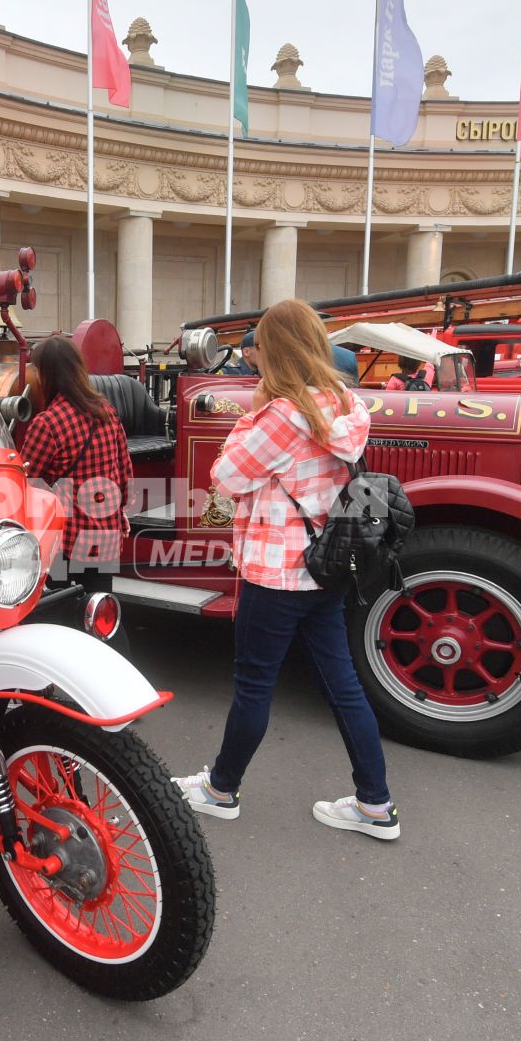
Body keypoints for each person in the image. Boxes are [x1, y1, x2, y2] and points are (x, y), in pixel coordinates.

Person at [171, 298, 396, 840]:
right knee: (343, 685)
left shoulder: (280, 416)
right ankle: (375, 804)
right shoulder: (346, 403)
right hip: (326, 566)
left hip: (275, 572)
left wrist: (248, 419)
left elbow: (226, 477)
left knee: (253, 685)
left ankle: (221, 790)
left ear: (273, 351)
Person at [17, 335, 133, 587]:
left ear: (44, 374)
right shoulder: (106, 412)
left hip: (65, 542)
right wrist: (119, 511)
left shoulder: (47, 423)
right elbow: (124, 472)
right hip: (105, 537)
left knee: (61, 615)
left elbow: (24, 487)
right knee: (99, 611)